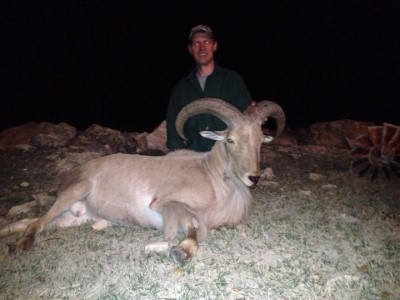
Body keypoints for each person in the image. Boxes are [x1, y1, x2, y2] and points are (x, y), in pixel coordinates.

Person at [166, 25, 252, 152]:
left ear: (215, 46)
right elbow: (173, 127)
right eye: (196, 43)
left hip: (226, 155)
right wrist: (180, 153)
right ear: (190, 49)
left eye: (206, 42)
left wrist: (253, 114)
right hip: (194, 157)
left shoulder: (233, 80)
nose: (202, 48)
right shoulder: (181, 88)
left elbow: (246, 118)